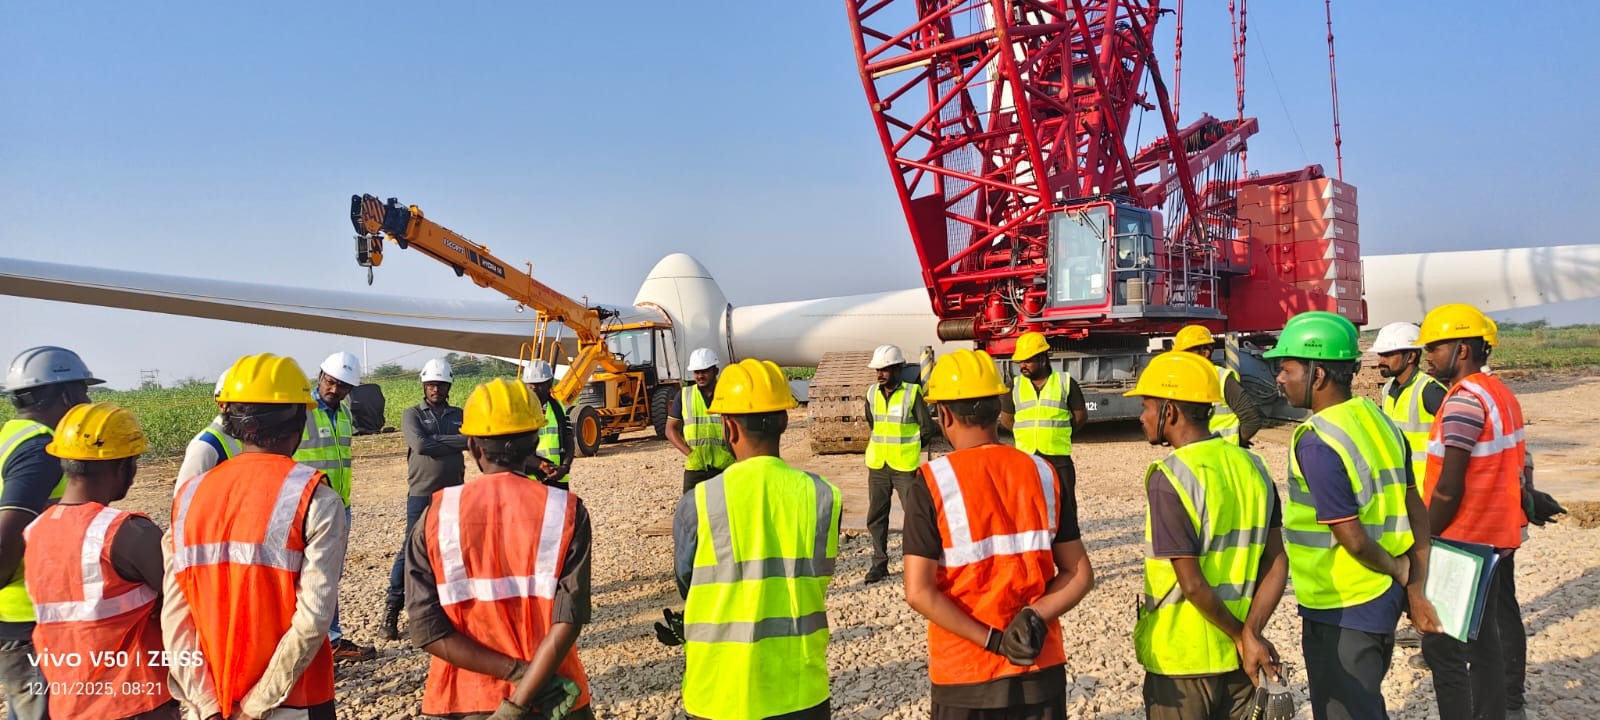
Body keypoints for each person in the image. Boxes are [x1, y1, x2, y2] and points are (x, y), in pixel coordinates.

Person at [1264, 312, 1441, 720]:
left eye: (1286, 367)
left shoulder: (1317, 439)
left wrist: (1402, 571)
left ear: (1318, 373)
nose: (1279, 378)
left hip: (1342, 604)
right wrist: (1413, 583)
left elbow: (1354, 538)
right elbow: (1416, 506)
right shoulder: (1377, 418)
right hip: (1380, 599)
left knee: (1347, 710)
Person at [901, 349, 1094, 719]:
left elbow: (918, 591)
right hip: (1039, 669)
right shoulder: (1043, 473)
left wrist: (993, 641)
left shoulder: (932, 483)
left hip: (965, 676)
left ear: (943, 414)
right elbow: (1079, 573)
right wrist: (1033, 619)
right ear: (997, 407)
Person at [162, 353, 345, 720]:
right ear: (300, 421)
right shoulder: (316, 498)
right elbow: (313, 619)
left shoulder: (189, 497)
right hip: (295, 701)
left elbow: (175, 619)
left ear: (231, 422)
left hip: (212, 703)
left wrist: (209, 705)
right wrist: (258, 705)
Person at [406, 378, 595, 720]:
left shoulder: (437, 515)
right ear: (535, 442)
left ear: (472, 446)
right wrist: (521, 696)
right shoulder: (565, 511)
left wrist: (515, 674)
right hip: (553, 697)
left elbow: (426, 629)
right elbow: (570, 617)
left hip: (462, 698)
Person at [672, 359, 841, 719]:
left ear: (728, 427)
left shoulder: (699, 503)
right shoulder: (823, 496)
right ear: (784, 421)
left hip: (717, 691)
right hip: (799, 691)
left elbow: (688, 583)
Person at [1125, 352, 1289, 720]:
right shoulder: (1254, 467)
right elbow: (1277, 561)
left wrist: (1238, 636)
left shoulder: (1170, 477)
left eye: (1147, 406)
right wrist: (1252, 633)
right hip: (1241, 663)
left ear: (1170, 412)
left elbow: (1192, 583)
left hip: (1183, 660)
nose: (1141, 416)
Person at [25, 402, 176, 719]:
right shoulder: (126, 532)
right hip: (137, 703)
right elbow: (187, 600)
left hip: (70, 704)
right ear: (123, 467)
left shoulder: (36, 531)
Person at [1416, 303, 1528, 720]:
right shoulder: (1499, 393)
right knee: (1484, 645)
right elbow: (1520, 462)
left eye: (1435, 346)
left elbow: (1449, 488)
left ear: (1462, 349)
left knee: (1443, 650)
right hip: (1496, 537)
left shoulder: (1463, 402)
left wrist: (1421, 540)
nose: (1428, 354)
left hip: (1462, 541)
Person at [0, 345, 102, 719]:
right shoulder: (40, 447)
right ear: (66, 395)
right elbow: (7, 533)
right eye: (83, 392)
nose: (87, 401)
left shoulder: (9, 436)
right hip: (29, 617)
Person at [296, 351, 372, 661]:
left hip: (340, 506)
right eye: (330, 382)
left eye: (342, 386)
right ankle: (310, 641)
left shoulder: (342, 415)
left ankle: (332, 639)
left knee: (329, 575)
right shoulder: (300, 412)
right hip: (306, 506)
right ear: (320, 376)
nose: (334, 390)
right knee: (305, 575)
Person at [384, 358, 467, 642]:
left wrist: (437, 442)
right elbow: (419, 444)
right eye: (431, 384)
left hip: (453, 492)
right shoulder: (412, 414)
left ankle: (447, 609)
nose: (435, 389)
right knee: (409, 550)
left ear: (448, 386)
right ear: (424, 385)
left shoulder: (459, 413)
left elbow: (471, 440)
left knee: (450, 552)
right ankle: (392, 610)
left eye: (440, 385)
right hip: (421, 493)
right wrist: (453, 440)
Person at [863, 344, 935, 584]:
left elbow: (927, 429)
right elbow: (873, 423)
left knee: (914, 516)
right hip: (878, 465)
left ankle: (920, 566)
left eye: (884, 370)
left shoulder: (912, 393)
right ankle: (879, 564)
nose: (880, 375)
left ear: (897, 369)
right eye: (878, 371)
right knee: (876, 516)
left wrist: (911, 448)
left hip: (904, 466)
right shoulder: (872, 393)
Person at [999, 331, 1087, 523]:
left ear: (1043, 359)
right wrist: (1024, 435)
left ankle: (1067, 545)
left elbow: (1080, 416)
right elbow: (1006, 420)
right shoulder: (1014, 386)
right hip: (1026, 457)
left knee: (1066, 507)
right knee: (1027, 506)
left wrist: (1060, 432)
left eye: (1027, 361)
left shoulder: (1065, 382)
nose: (1022, 365)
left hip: (1058, 457)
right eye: (1020, 361)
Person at [1170, 326, 1263, 447]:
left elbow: (1251, 419)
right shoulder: (1184, 380)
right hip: (1197, 454)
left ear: (1205, 353)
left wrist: (1235, 443)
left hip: (1223, 455)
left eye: (1186, 354)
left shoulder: (1222, 378)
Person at [665, 348, 735, 492]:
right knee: (691, 511)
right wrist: (690, 454)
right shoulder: (684, 395)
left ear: (715, 371)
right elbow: (670, 429)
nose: (700, 376)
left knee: (726, 511)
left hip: (725, 466)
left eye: (704, 371)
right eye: (697, 372)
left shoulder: (728, 394)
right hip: (696, 467)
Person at [176, 371, 242, 488]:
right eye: (243, 405)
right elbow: (184, 501)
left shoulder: (261, 440)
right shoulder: (206, 446)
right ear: (222, 404)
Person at [522, 360, 574, 488]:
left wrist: (564, 467)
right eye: (530, 385)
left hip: (558, 478)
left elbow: (568, 440)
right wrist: (541, 466)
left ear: (549, 383)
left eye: (538, 384)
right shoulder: (520, 411)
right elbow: (516, 450)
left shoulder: (558, 408)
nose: (533, 388)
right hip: (531, 479)